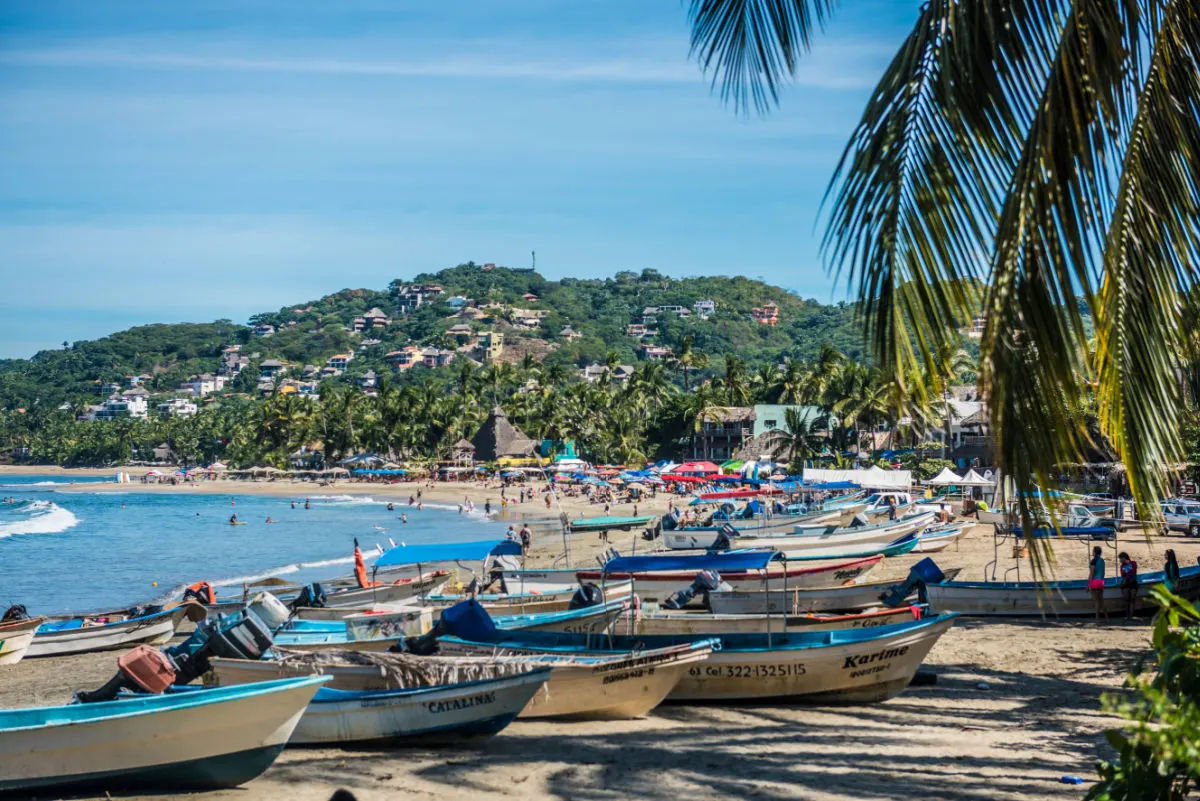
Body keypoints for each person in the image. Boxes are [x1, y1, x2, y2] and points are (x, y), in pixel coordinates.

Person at [1089, 546, 1107, 622]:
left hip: (1095, 582)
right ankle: (1107, 618)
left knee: (1096, 601)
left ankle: (1097, 618)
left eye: (1093, 551)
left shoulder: (1093, 561)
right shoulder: (1102, 561)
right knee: (1102, 601)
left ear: (1095, 552)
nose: (1092, 552)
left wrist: (1089, 585)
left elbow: (1091, 574)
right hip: (1101, 582)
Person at [1118, 552, 1138, 619]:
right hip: (1126, 584)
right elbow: (1122, 575)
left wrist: (1126, 577)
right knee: (1126, 599)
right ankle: (1127, 616)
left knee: (1132, 599)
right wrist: (1125, 578)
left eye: (1120, 559)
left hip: (1133, 582)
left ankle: (1131, 616)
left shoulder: (1133, 563)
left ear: (1124, 558)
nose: (1120, 561)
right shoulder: (1122, 566)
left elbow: (1133, 571)